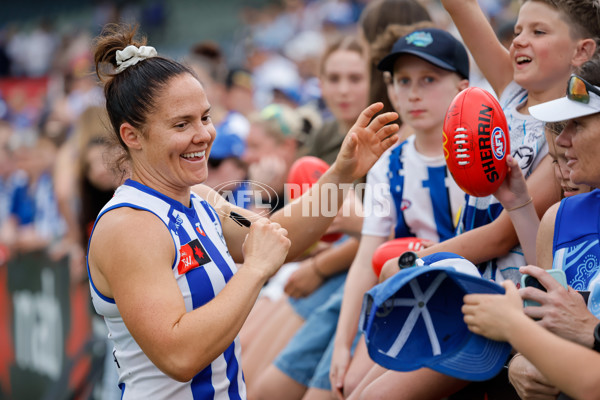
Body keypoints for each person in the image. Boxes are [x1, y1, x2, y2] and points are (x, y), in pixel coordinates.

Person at [86, 23, 399, 399]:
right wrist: (252, 270)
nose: (203, 134)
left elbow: (279, 236)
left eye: (205, 117)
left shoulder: (200, 198)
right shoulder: (129, 227)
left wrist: (343, 172)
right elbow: (179, 354)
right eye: (181, 124)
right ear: (131, 136)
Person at [375, 2, 599, 396]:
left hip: (496, 299)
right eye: (516, 31)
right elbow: (462, 9)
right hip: (484, 295)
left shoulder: (556, 133)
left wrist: (416, 261)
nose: (519, 41)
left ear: (582, 51)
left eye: (539, 32)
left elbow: (499, 238)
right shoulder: (512, 98)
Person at [330, 27, 469, 399]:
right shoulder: (388, 163)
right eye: (403, 81)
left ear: (463, 87)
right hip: (412, 300)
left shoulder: (478, 153)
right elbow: (366, 258)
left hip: (471, 303)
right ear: (390, 90)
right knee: (350, 385)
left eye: (429, 79)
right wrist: (343, 342)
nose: (413, 92)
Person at [245, 35, 369, 400]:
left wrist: (319, 267)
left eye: (354, 78)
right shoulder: (327, 135)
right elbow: (307, 224)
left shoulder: (387, 137)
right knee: (242, 362)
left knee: (261, 385)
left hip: (349, 272)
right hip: (315, 265)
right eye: (332, 79)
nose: (343, 90)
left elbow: (378, 232)